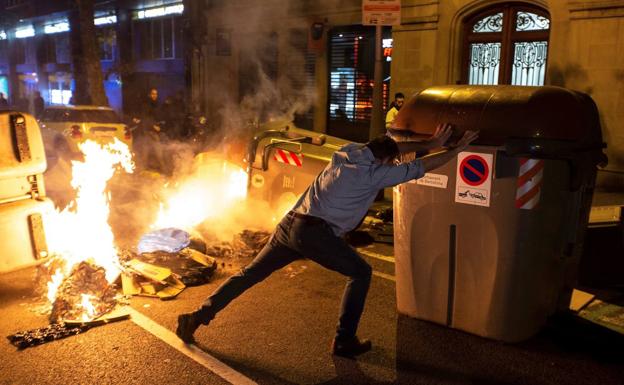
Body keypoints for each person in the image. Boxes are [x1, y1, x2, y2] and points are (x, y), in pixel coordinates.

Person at [176, 123, 479, 358]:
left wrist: (431, 142)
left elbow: (392, 146)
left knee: (249, 274)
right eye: (391, 161)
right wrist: (455, 150)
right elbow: (422, 167)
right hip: (314, 234)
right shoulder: (374, 175)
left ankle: (197, 316)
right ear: (385, 160)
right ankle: (344, 340)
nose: (392, 164)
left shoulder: (351, 151)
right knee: (361, 273)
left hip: (290, 224)